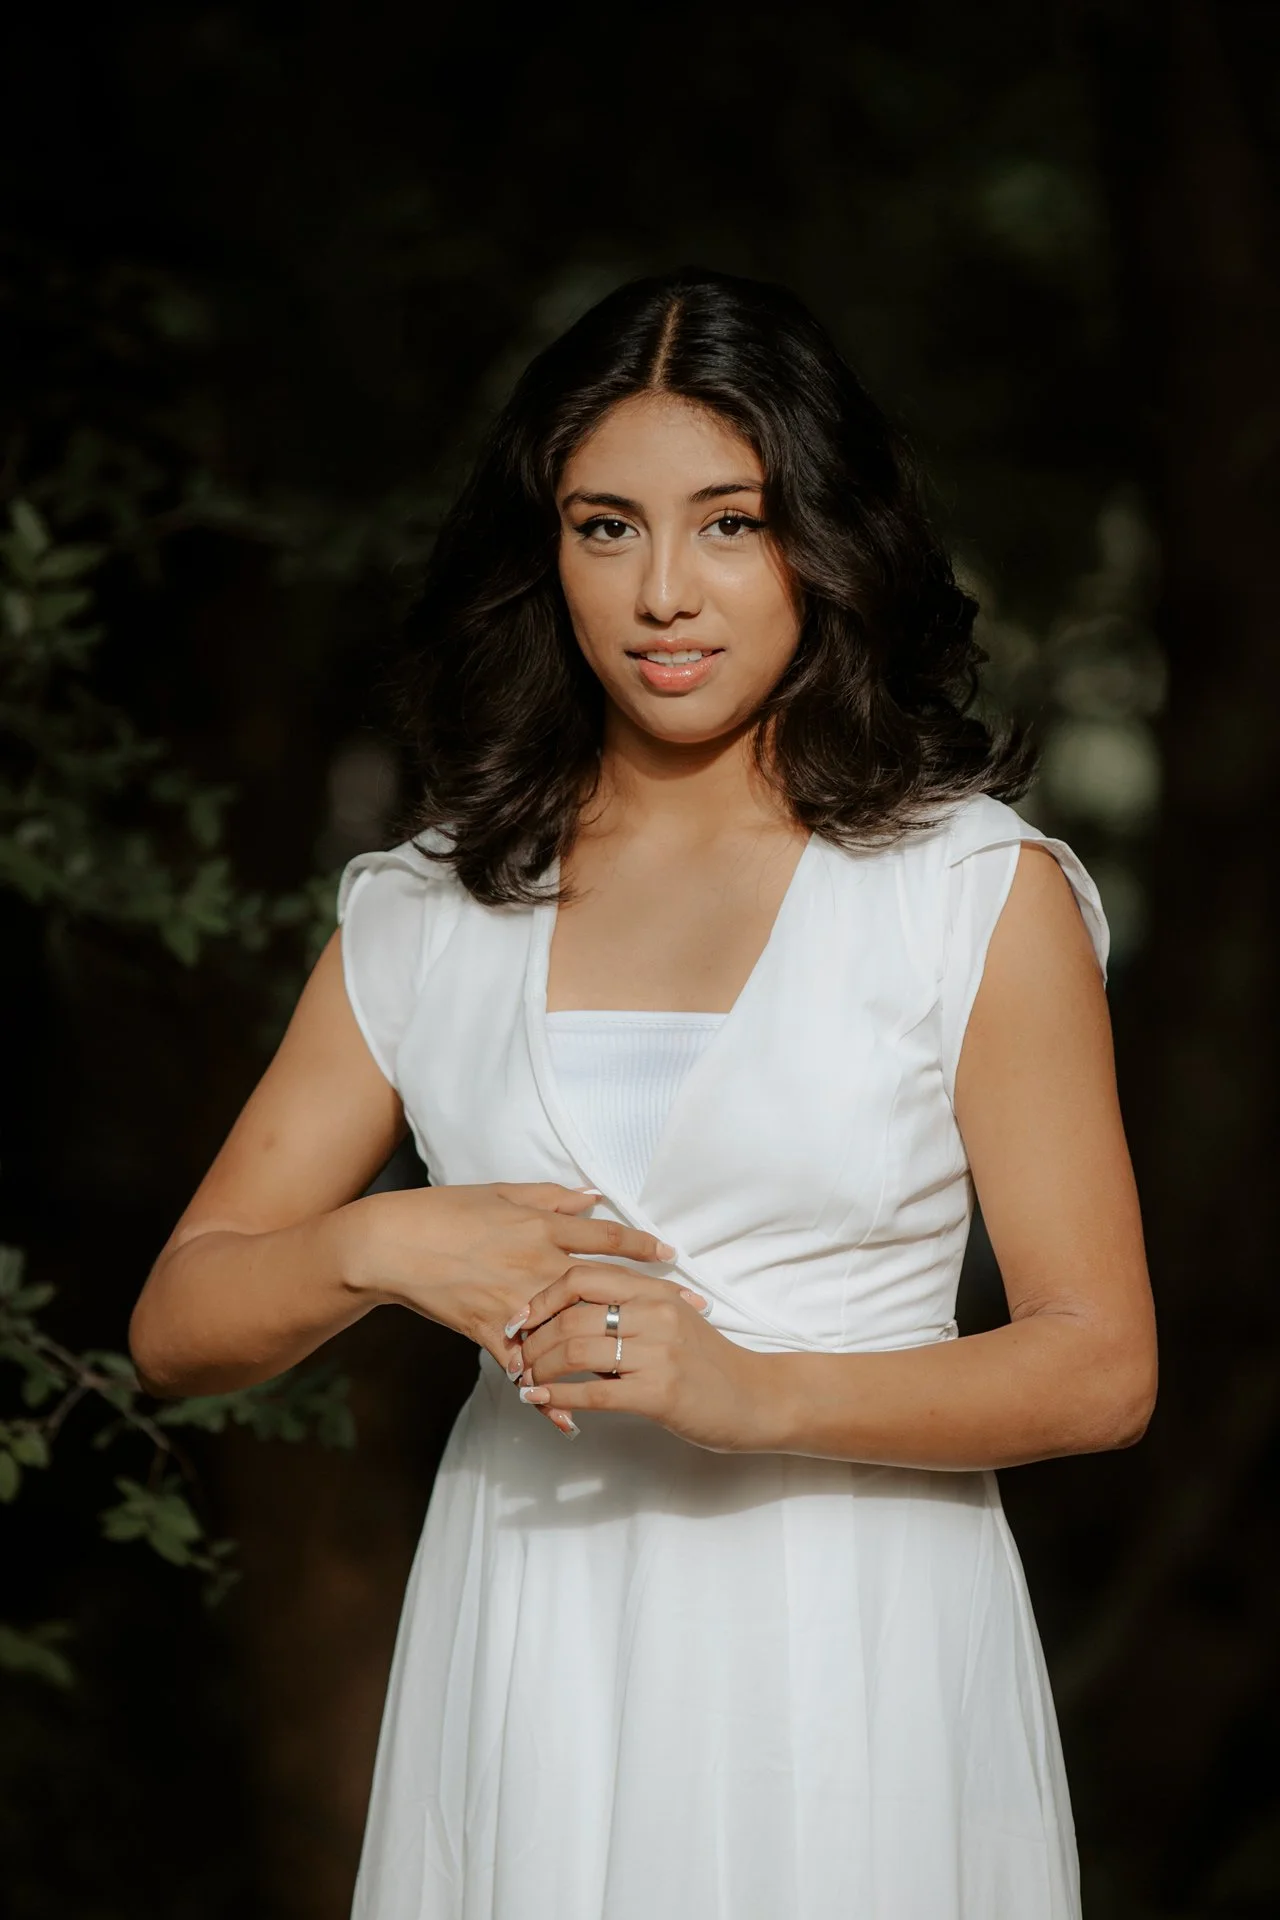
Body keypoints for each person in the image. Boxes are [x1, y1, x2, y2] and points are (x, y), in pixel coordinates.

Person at [129, 267, 1157, 1919]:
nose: (664, 590)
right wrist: (382, 1243)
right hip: (529, 1638)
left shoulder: (966, 888)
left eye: (728, 522)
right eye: (607, 526)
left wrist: (752, 1390)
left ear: (822, 539)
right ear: (546, 552)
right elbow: (179, 1323)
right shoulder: (430, 909)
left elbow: (1101, 1370)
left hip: (854, 1652)